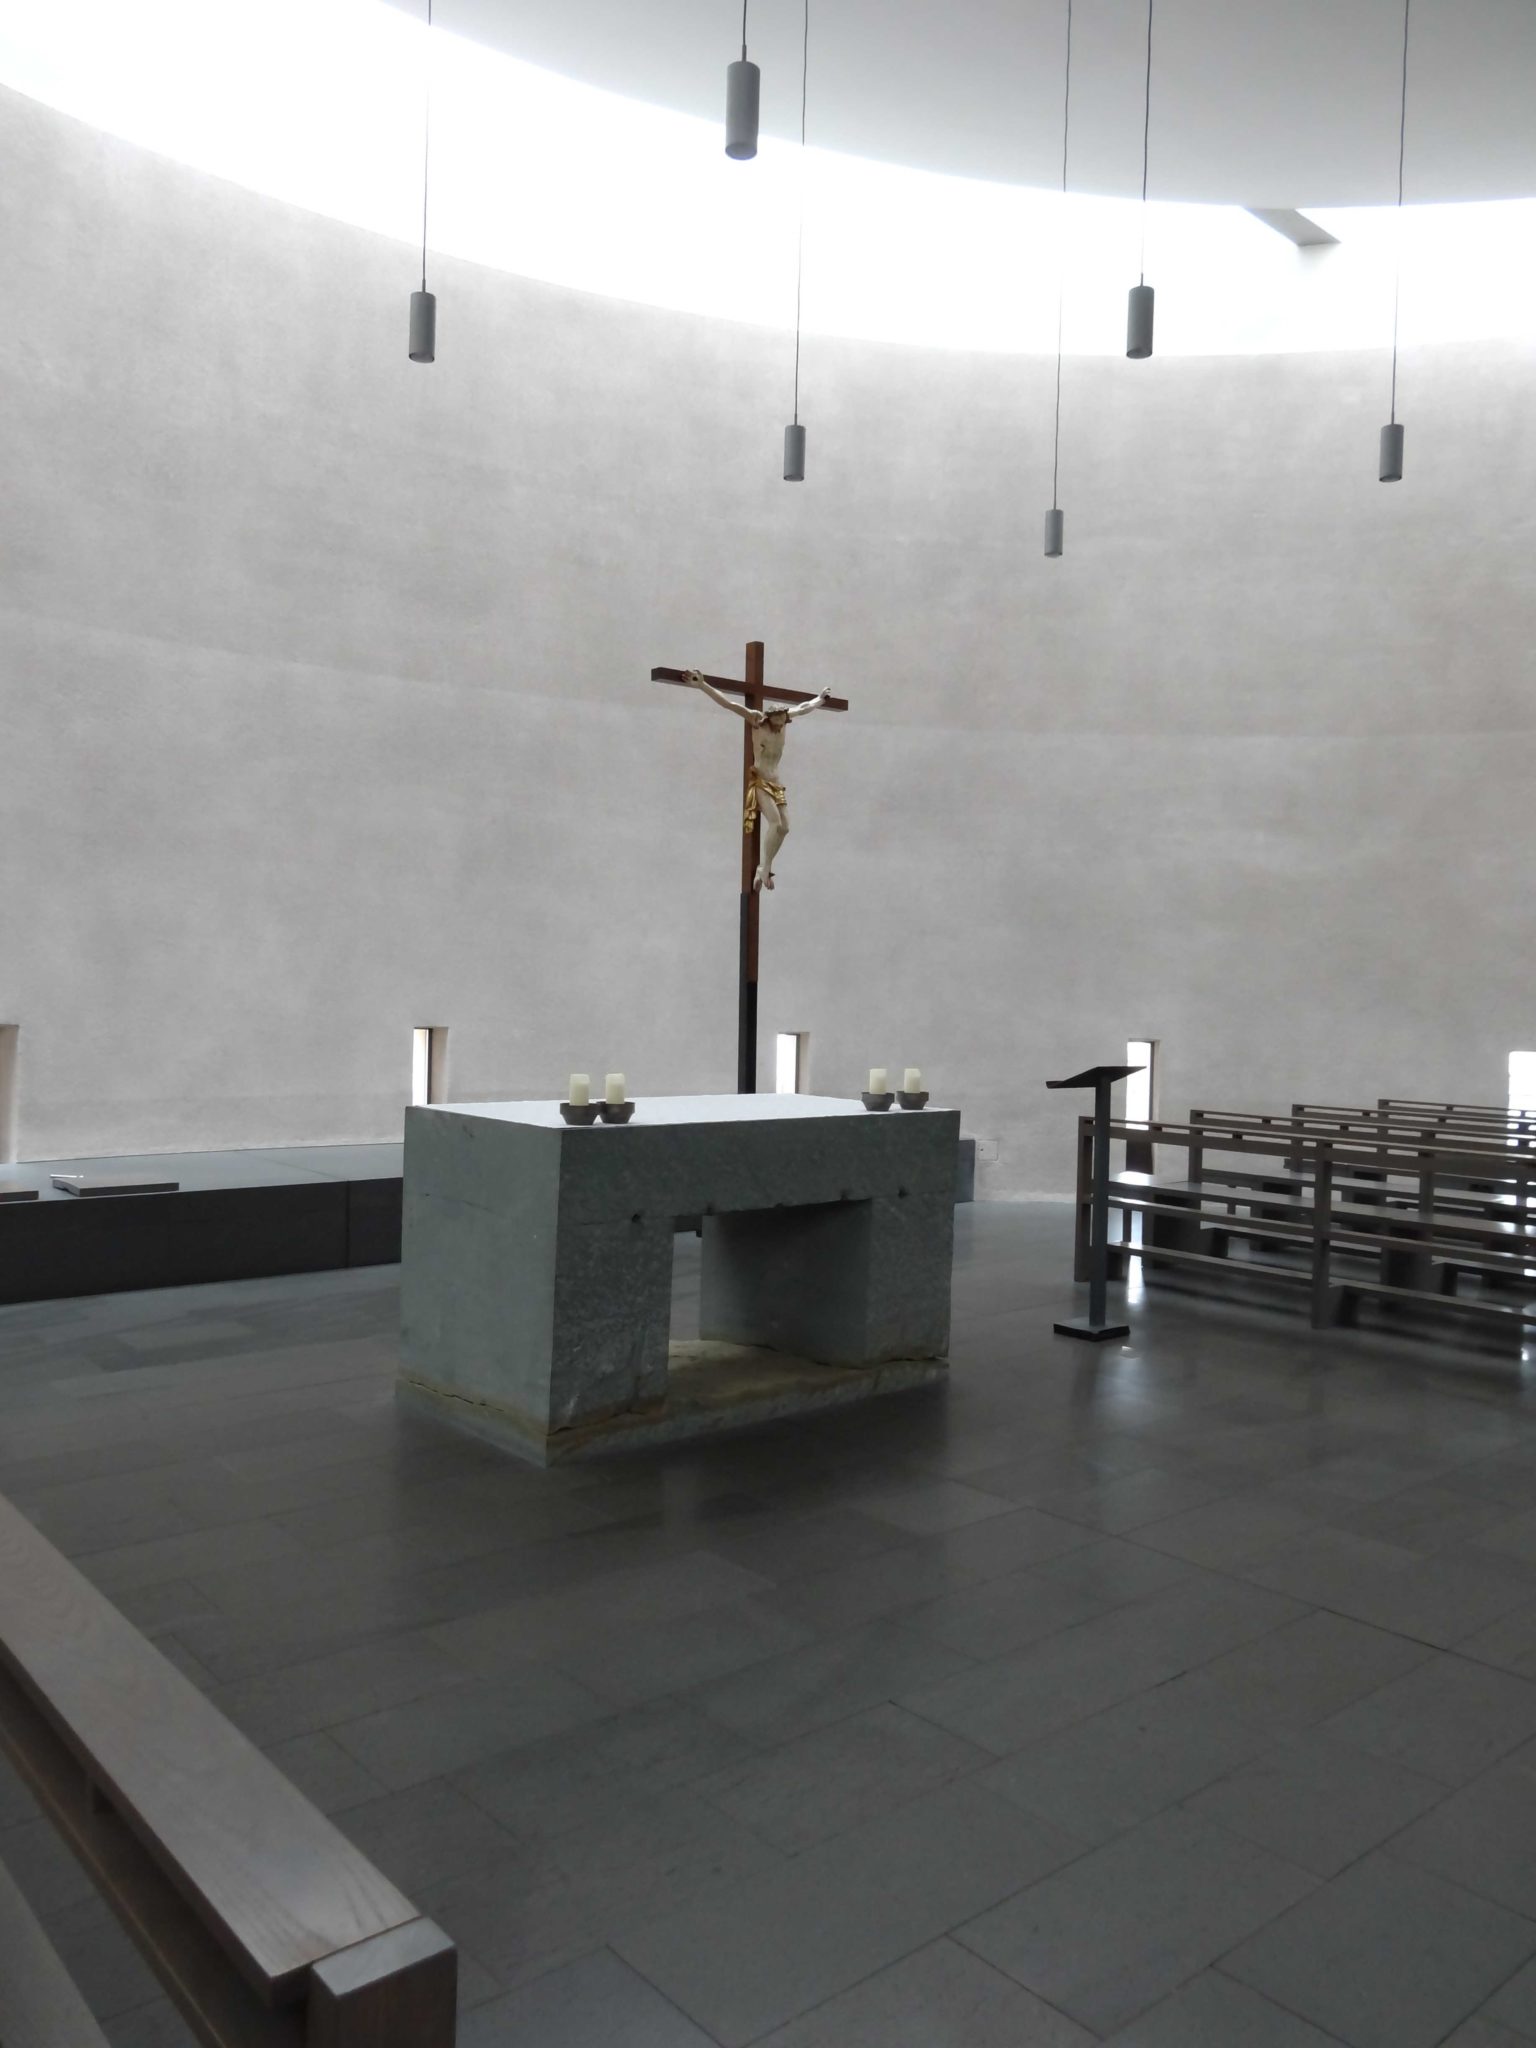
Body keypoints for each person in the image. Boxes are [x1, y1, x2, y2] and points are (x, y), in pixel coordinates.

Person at [685, 669, 830, 891]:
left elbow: (803, 708)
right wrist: (703, 686)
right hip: (761, 781)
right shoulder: (757, 720)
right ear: (769, 717)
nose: (781, 723)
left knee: (785, 828)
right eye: (777, 719)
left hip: (776, 783)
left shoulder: (785, 720)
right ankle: (765, 867)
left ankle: (764, 867)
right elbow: (729, 705)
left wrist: (819, 699)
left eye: (783, 719)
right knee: (775, 823)